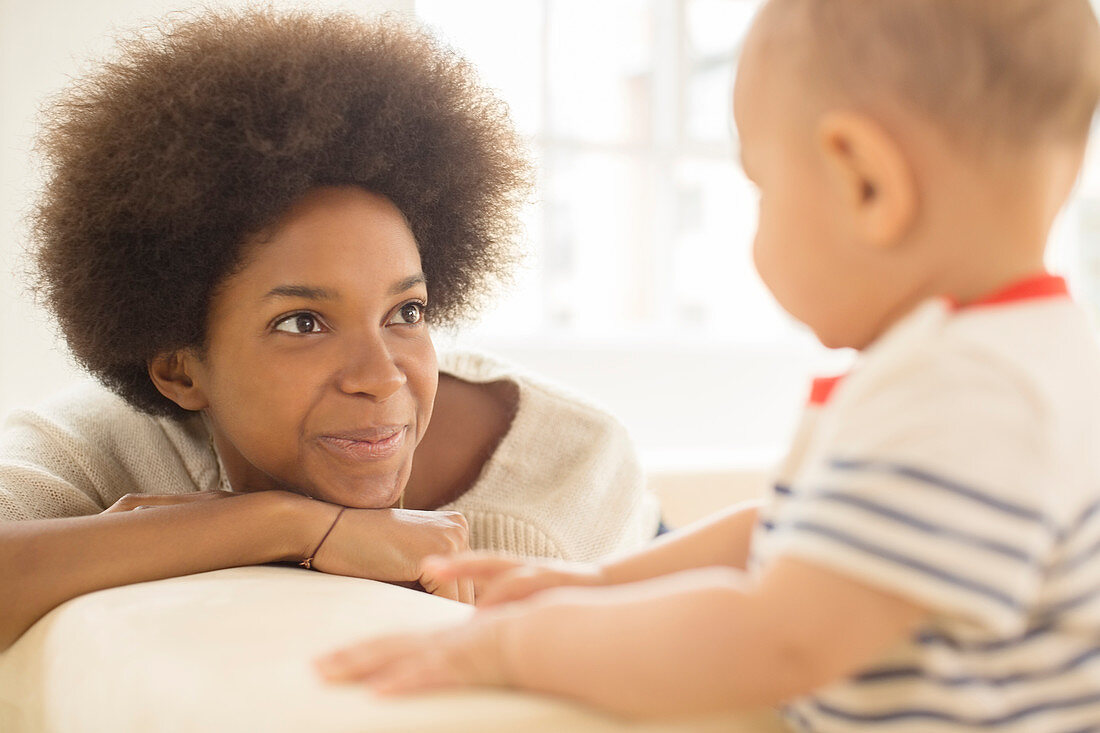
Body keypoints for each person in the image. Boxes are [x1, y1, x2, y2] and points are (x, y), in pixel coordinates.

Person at [314, 1, 1100, 729]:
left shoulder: (963, 392)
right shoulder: (1016, 360)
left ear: (865, 182)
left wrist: (517, 649)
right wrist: (607, 583)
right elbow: (787, 531)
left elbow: (776, 639)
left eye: (760, 186)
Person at [0, 9, 660, 651]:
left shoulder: (575, 469)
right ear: (180, 368)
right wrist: (284, 525)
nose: (382, 377)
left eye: (407, 312)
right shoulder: (100, 444)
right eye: (304, 322)